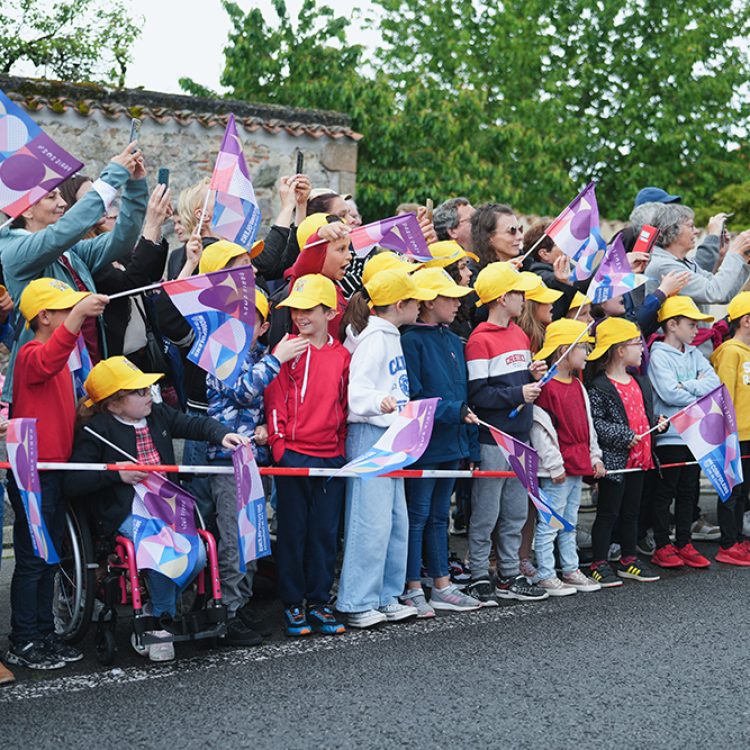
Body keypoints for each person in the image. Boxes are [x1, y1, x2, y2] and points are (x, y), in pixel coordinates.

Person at [64, 356, 247, 661]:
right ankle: (160, 622)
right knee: (163, 552)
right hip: (126, 508)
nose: (150, 394)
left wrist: (220, 433)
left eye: (148, 389)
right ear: (113, 403)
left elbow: (194, 423)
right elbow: (73, 481)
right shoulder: (96, 431)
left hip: (166, 503)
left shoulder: (158, 416)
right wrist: (116, 473)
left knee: (199, 554)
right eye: (140, 391)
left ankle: (154, 611)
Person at [202, 241, 309, 642]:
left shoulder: (259, 354)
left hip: (255, 459)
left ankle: (240, 605)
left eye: (250, 318)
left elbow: (261, 403)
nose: (240, 323)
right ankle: (228, 613)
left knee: (251, 537)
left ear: (264, 326)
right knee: (234, 537)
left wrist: (266, 430)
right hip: (227, 463)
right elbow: (245, 391)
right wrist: (277, 358)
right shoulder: (220, 353)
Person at [4, 278, 108, 670]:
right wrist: (81, 315)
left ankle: (43, 635)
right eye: (65, 309)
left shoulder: (57, 358)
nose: (73, 314)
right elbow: (48, 360)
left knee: (47, 558)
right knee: (33, 559)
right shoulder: (31, 353)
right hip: (33, 473)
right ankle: (24, 638)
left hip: (52, 470)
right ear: (44, 316)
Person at [0, 142, 148, 402]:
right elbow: (64, 232)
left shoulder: (70, 251)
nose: (62, 203)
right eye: (51, 197)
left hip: (84, 373)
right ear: (27, 210)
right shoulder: (15, 250)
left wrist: (135, 186)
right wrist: (113, 174)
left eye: (60, 195)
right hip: (46, 386)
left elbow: (121, 240)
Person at [337, 269, 435, 627]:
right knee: (370, 522)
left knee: (395, 521)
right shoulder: (375, 339)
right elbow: (357, 393)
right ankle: (357, 601)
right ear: (399, 304)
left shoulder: (388, 334)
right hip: (370, 435)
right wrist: (380, 401)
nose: (422, 304)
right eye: (416, 299)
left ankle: (384, 595)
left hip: (390, 436)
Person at [265, 274, 350, 637]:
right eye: (295, 309)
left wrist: (341, 448)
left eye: (309, 309)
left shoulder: (343, 354)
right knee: (293, 532)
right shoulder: (285, 348)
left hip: (331, 457)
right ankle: (293, 603)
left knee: (325, 533)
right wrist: (279, 446)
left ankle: (318, 601)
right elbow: (273, 399)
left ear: (330, 312)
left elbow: (345, 406)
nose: (300, 316)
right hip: (294, 456)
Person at [399, 267, 484, 615]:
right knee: (417, 515)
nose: (456, 304)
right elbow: (414, 396)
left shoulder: (453, 341)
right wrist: (454, 411)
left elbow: (463, 394)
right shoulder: (410, 340)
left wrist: (470, 444)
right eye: (449, 298)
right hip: (424, 444)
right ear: (429, 302)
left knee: (438, 517)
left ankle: (442, 584)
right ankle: (412, 586)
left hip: (452, 443)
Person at [464, 262, 549, 604]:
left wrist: (530, 373)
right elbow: (478, 395)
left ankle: (509, 574)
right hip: (492, 439)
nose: (523, 298)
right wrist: (518, 393)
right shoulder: (478, 340)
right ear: (501, 298)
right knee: (486, 512)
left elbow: (512, 382)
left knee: (515, 511)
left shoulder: (520, 334)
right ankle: (478, 575)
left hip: (520, 437)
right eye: (518, 292)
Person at [586, 318, 666, 587]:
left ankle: (628, 559)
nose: (642, 348)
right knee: (608, 512)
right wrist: (623, 437)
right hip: (616, 463)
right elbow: (596, 423)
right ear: (620, 350)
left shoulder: (640, 382)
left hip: (639, 460)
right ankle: (599, 562)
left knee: (632, 512)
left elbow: (641, 414)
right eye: (636, 343)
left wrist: (656, 423)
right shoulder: (600, 385)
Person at [530, 319, 604, 595]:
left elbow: (589, 426)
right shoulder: (546, 388)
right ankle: (546, 573)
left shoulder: (577, 385)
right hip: (557, 469)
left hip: (576, 463)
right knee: (550, 522)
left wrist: (594, 456)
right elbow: (540, 431)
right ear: (565, 349)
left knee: (570, 521)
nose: (587, 353)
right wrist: (554, 464)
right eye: (583, 347)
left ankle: (570, 569)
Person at [647, 297, 719, 569]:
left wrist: (684, 386)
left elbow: (713, 383)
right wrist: (694, 386)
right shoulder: (657, 355)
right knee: (666, 491)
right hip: (670, 436)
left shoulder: (694, 352)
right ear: (672, 324)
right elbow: (668, 393)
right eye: (691, 324)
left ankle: (684, 542)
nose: (696, 329)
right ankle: (663, 544)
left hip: (695, 432)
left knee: (689, 489)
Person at [645, 203, 750, 317]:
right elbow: (714, 292)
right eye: (691, 226)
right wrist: (735, 252)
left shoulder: (683, 262)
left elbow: (725, 294)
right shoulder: (664, 266)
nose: (696, 231)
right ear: (671, 230)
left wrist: (744, 257)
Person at [268, 213, 352, 348]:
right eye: (341, 249)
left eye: (348, 248)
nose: (349, 256)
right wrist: (319, 236)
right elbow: (307, 263)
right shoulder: (303, 281)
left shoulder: (335, 288)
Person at [710, 291, 750, 566]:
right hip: (735, 435)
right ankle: (728, 543)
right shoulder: (729, 352)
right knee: (732, 491)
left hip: (749, 435)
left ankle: (737, 538)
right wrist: (727, 434)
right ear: (746, 320)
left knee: (743, 491)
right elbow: (723, 397)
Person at [471, 204, 525, 268]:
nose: (520, 237)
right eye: (512, 230)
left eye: (520, 229)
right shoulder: (471, 273)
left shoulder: (528, 264)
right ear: (488, 237)